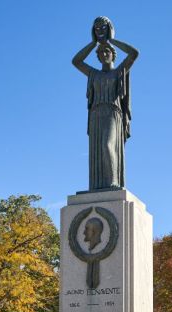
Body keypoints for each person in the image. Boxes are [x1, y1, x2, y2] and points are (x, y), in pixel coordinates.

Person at [72, 16, 139, 191]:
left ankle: (113, 182)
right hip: (95, 114)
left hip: (112, 112)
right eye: (101, 53)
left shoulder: (119, 72)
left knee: (107, 146)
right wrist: (94, 43)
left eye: (107, 52)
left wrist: (111, 40)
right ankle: (98, 186)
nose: (104, 54)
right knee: (96, 153)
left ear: (113, 54)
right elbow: (76, 61)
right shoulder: (94, 74)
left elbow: (134, 53)